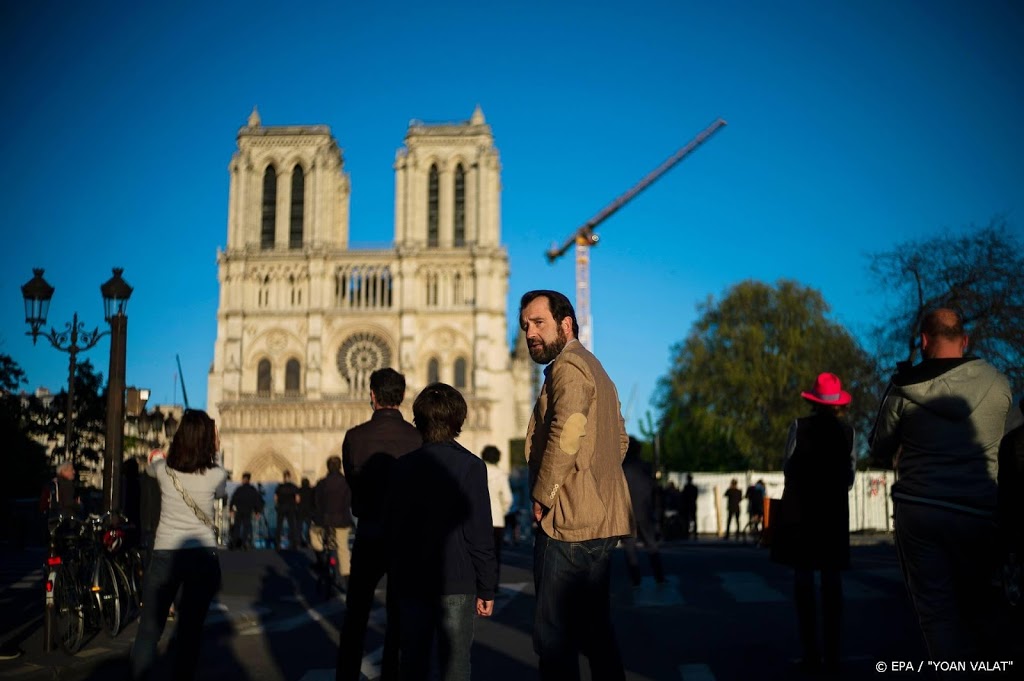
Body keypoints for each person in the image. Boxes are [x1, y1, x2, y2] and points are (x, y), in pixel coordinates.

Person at [871, 308, 1012, 670]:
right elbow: (1014, 447)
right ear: (964, 340)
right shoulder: (998, 383)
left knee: (937, 614)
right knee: (983, 607)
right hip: (980, 512)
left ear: (923, 341)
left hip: (921, 511)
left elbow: (879, 447)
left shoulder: (904, 387)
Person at [520, 289, 633, 681]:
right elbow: (620, 440)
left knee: (554, 637)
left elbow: (567, 431)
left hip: (566, 522)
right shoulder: (598, 369)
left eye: (538, 323)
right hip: (600, 520)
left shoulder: (568, 367)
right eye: (524, 326)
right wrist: (592, 479)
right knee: (595, 629)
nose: (529, 333)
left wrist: (544, 495)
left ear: (565, 324)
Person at [388, 383, 496, 681]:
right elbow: (479, 533)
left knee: (413, 662)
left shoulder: (402, 467)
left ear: (418, 421)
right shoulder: (471, 466)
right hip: (456, 581)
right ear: (458, 421)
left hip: (412, 580)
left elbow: (394, 531)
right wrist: (487, 586)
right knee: (456, 664)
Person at [336, 368, 422, 681]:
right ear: (401, 397)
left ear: (372, 395)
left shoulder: (354, 437)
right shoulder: (418, 438)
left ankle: (345, 675)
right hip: (405, 539)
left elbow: (353, 483)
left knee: (355, 616)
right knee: (398, 617)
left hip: (369, 533)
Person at [130, 409, 227, 681]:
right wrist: (215, 450)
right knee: (189, 633)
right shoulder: (216, 474)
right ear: (209, 440)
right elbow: (220, 491)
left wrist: (159, 454)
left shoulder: (164, 471)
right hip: (202, 557)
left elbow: (153, 463)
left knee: (149, 632)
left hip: (165, 554)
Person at [770, 372, 856, 675]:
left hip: (802, 512)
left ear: (814, 401)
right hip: (832, 513)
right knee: (832, 583)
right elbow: (850, 477)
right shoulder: (848, 432)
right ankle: (833, 654)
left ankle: (810, 653)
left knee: (803, 580)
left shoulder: (799, 426)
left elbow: (788, 466)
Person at [621, 436, 666, 586]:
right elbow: (655, 492)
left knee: (629, 547)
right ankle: (659, 576)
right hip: (645, 511)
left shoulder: (621, 468)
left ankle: (636, 579)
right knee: (651, 544)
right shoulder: (646, 467)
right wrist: (657, 513)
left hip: (627, 513)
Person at [313, 455, 354, 587]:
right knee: (343, 548)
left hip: (325, 522)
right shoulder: (347, 483)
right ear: (340, 466)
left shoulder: (321, 483)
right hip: (342, 521)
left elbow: (316, 502)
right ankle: (347, 578)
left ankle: (320, 561)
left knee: (315, 536)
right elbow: (350, 502)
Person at [482, 444, 513, 583]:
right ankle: (493, 584)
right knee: (495, 555)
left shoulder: (479, 471)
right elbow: (508, 498)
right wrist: (502, 511)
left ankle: (480, 583)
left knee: (479, 554)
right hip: (497, 520)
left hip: (479, 520)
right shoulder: (501, 474)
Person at [229, 472, 263, 551]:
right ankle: (244, 543)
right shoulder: (252, 490)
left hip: (239, 511)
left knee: (237, 527)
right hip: (248, 511)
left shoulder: (239, 489)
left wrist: (231, 509)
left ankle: (234, 544)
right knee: (246, 527)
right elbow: (257, 501)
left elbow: (233, 499)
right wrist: (257, 511)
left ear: (244, 479)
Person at [275, 470, 300, 550]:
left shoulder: (279, 487)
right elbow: (297, 499)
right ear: (290, 477)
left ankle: (277, 543)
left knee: (279, 525)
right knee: (292, 526)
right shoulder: (294, 487)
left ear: (284, 477)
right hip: (291, 508)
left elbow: (275, 498)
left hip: (281, 507)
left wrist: (277, 505)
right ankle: (294, 543)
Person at [298, 477, 315, 548]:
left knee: (299, 527)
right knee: (309, 528)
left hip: (300, 510)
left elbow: (297, 500)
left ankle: (300, 541)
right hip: (309, 511)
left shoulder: (299, 490)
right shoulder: (311, 490)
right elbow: (314, 501)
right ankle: (309, 542)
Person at [682, 474, 699, 539]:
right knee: (693, 520)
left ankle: (688, 534)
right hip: (691, 505)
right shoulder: (693, 488)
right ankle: (694, 534)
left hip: (688, 505)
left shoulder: (687, 487)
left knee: (688, 520)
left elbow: (684, 496)